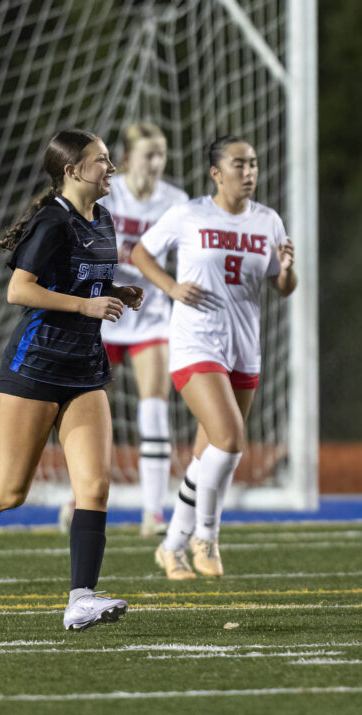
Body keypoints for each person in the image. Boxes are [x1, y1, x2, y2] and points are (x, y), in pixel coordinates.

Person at [0, 129, 142, 630]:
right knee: (10, 489)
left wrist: (116, 290)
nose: (111, 168)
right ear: (72, 170)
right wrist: (87, 304)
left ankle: (80, 598)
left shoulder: (104, 218)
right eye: (102, 160)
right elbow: (19, 290)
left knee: (95, 485)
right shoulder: (52, 220)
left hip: (85, 370)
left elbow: (82, 279)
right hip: (35, 368)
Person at [131, 136, 297, 580]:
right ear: (216, 173)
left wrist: (286, 269)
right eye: (239, 164)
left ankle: (171, 548)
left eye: (254, 164)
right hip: (195, 343)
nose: (249, 172)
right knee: (230, 439)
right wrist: (169, 287)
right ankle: (207, 535)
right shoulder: (189, 213)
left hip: (243, 348)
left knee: (211, 455)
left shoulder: (268, 221)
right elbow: (140, 252)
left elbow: (283, 286)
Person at [98, 121, 189, 538]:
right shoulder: (106, 195)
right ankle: (80, 495)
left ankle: (152, 512)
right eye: (150, 154)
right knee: (90, 409)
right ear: (129, 158)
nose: (157, 163)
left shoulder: (177, 201)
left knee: (154, 406)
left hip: (151, 314)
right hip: (105, 311)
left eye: (162, 154)